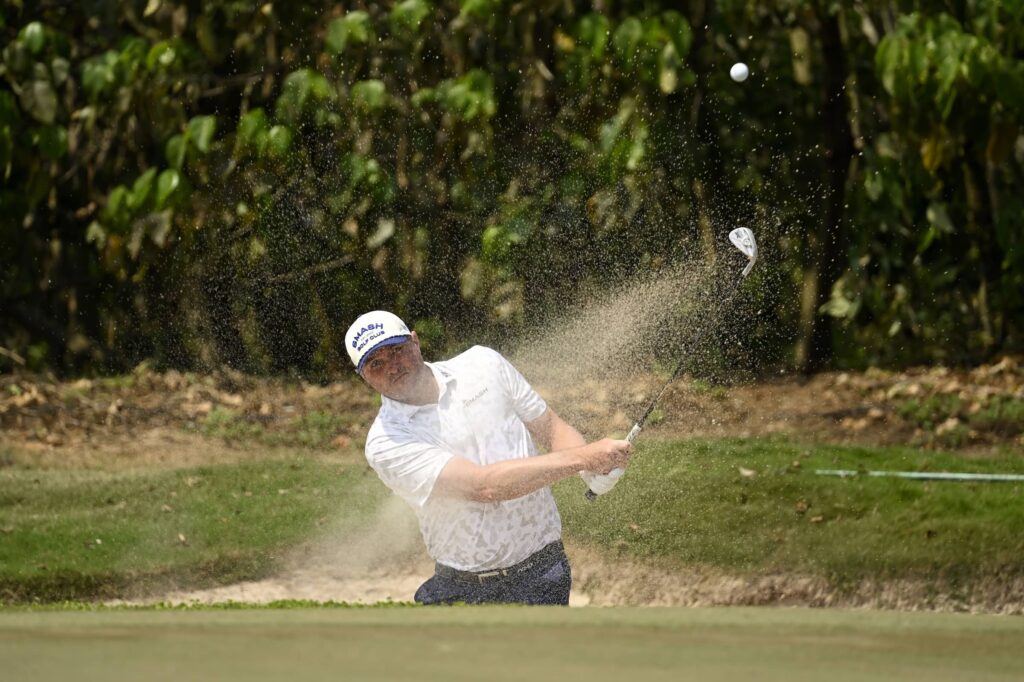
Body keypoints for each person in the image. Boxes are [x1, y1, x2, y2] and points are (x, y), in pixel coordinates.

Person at [345, 310, 632, 605]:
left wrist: (591, 470)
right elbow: (484, 487)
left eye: (397, 350)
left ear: (415, 342)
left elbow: (549, 427)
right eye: (376, 363)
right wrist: (583, 459)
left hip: (545, 572)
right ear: (363, 377)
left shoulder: (483, 364)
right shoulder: (386, 441)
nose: (392, 366)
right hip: (467, 591)